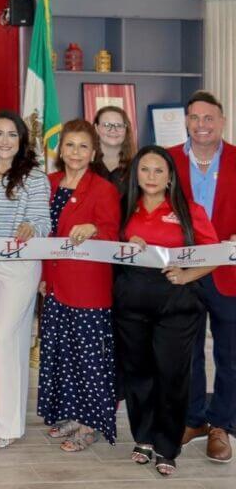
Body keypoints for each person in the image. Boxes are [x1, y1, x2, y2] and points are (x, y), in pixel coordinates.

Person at [116, 145, 218, 476]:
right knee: (138, 374)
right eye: (145, 169)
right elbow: (107, 245)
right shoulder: (124, 208)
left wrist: (186, 274)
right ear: (136, 174)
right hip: (131, 302)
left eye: (159, 170)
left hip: (177, 304)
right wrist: (126, 241)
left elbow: (214, 254)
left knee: (172, 376)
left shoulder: (190, 210)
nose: (151, 176)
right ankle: (143, 438)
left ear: (170, 177)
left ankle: (167, 446)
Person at [39, 119, 121, 452]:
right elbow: (43, 235)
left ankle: (90, 425)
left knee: (89, 361)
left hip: (89, 289)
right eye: (70, 145)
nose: (75, 152)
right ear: (61, 149)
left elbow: (114, 235)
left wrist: (94, 229)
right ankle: (72, 415)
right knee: (63, 355)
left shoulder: (104, 189)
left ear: (94, 151)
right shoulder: (49, 182)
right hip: (55, 285)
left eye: (83, 146)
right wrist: (44, 277)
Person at [0, 111, 51, 448]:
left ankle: (6, 427)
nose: (4, 141)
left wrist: (32, 228)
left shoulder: (34, 177)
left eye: (12, 135)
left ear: (21, 142)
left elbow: (43, 221)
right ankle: (5, 416)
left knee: (3, 336)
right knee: (2, 341)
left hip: (19, 266)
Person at [168, 90, 235, 463]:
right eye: (195, 118)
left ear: (222, 122)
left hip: (230, 273)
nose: (202, 125)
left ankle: (222, 425)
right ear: (187, 122)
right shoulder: (169, 160)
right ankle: (193, 420)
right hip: (186, 272)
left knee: (231, 354)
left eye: (209, 118)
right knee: (187, 352)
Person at [93, 105, 136, 188]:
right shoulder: (86, 165)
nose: (113, 130)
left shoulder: (137, 166)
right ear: (96, 128)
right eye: (106, 125)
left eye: (119, 125)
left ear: (126, 129)